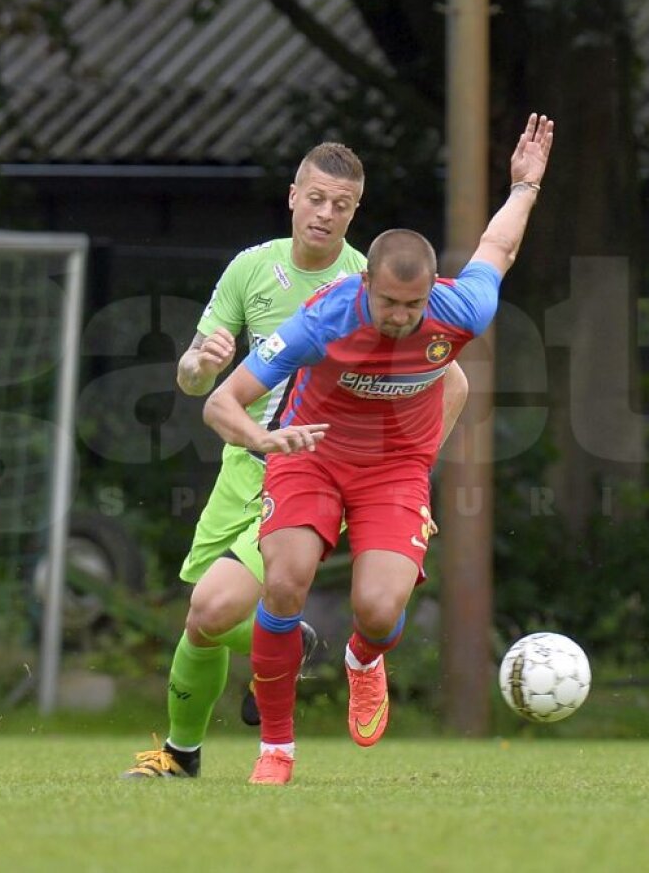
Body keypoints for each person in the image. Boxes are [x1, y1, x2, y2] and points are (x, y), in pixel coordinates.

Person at [204, 112, 554, 785]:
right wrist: (263, 437)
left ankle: (364, 658)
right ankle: (276, 749)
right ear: (366, 284)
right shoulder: (326, 317)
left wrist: (524, 189)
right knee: (284, 579)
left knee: (381, 607)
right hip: (310, 453)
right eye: (388, 302)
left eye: (411, 303)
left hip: (393, 467)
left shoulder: (458, 312)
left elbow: (497, 249)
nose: (400, 316)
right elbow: (221, 400)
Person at [122, 141, 471, 778]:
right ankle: (187, 749)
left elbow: (450, 380)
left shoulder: (375, 283)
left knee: (218, 606)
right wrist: (200, 364)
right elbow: (196, 380)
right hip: (243, 460)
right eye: (315, 199)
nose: (325, 214)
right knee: (201, 615)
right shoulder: (250, 269)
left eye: (341, 205)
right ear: (292, 197)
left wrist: (410, 469)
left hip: (317, 470)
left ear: (355, 211)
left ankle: (276, 652)